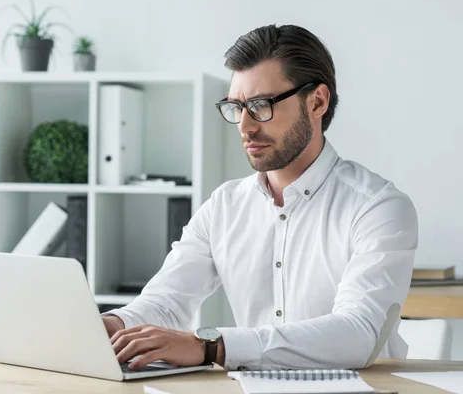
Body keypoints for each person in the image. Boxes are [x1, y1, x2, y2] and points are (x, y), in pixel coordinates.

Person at [102, 24, 418, 372]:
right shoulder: (224, 207)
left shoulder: (378, 207)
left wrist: (211, 347)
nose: (245, 126)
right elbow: (166, 302)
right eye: (237, 107)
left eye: (261, 105)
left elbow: (358, 334)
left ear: (317, 101)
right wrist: (113, 326)